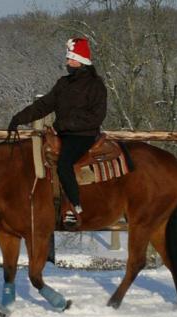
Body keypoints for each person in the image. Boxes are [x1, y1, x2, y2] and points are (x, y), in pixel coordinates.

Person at [8, 37, 107, 227]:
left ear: (81, 61)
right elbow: (45, 105)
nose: (67, 62)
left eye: (71, 58)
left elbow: (96, 117)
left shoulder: (96, 86)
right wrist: (19, 118)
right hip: (64, 134)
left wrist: (62, 125)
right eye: (68, 58)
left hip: (83, 135)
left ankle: (74, 207)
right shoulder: (63, 83)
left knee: (64, 164)